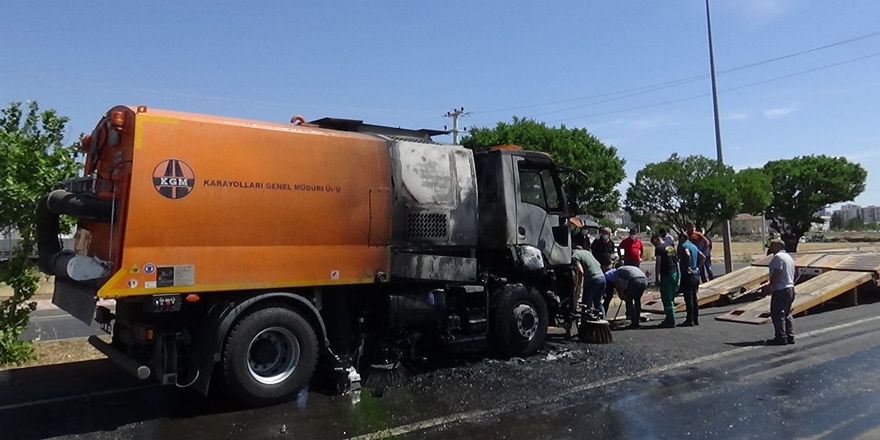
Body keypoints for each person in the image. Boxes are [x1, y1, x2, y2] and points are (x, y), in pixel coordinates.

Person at [766, 239, 796, 345]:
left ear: (778, 246)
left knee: (777, 313)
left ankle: (780, 337)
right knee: (787, 313)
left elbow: (778, 271)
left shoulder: (778, 257)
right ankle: (790, 335)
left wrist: (771, 285)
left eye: (772, 245)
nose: (770, 247)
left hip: (781, 288)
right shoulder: (788, 257)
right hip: (790, 287)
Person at [651, 234, 679, 328]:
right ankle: (669, 318)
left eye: (654, 243)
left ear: (656, 239)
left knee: (666, 298)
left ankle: (671, 320)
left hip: (666, 274)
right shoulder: (670, 247)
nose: (654, 245)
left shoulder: (659, 248)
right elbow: (675, 260)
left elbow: (658, 263)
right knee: (671, 297)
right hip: (674, 273)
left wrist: (656, 277)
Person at [678, 232, 705, 327]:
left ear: (681, 238)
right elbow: (703, 256)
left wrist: (688, 266)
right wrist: (698, 267)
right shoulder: (693, 246)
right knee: (694, 297)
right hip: (695, 274)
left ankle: (689, 319)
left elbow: (687, 254)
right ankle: (695, 319)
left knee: (688, 298)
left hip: (688, 275)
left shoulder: (684, 246)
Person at [571, 246, 606, 319]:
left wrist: (579, 285)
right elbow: (599, 264)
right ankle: (603, 321)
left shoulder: (574, 256)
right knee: (598, 302)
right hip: (602, 277)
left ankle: (586, 323)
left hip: (592, 280)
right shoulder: (587, 252)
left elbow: (581, 271)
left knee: (586, 303)